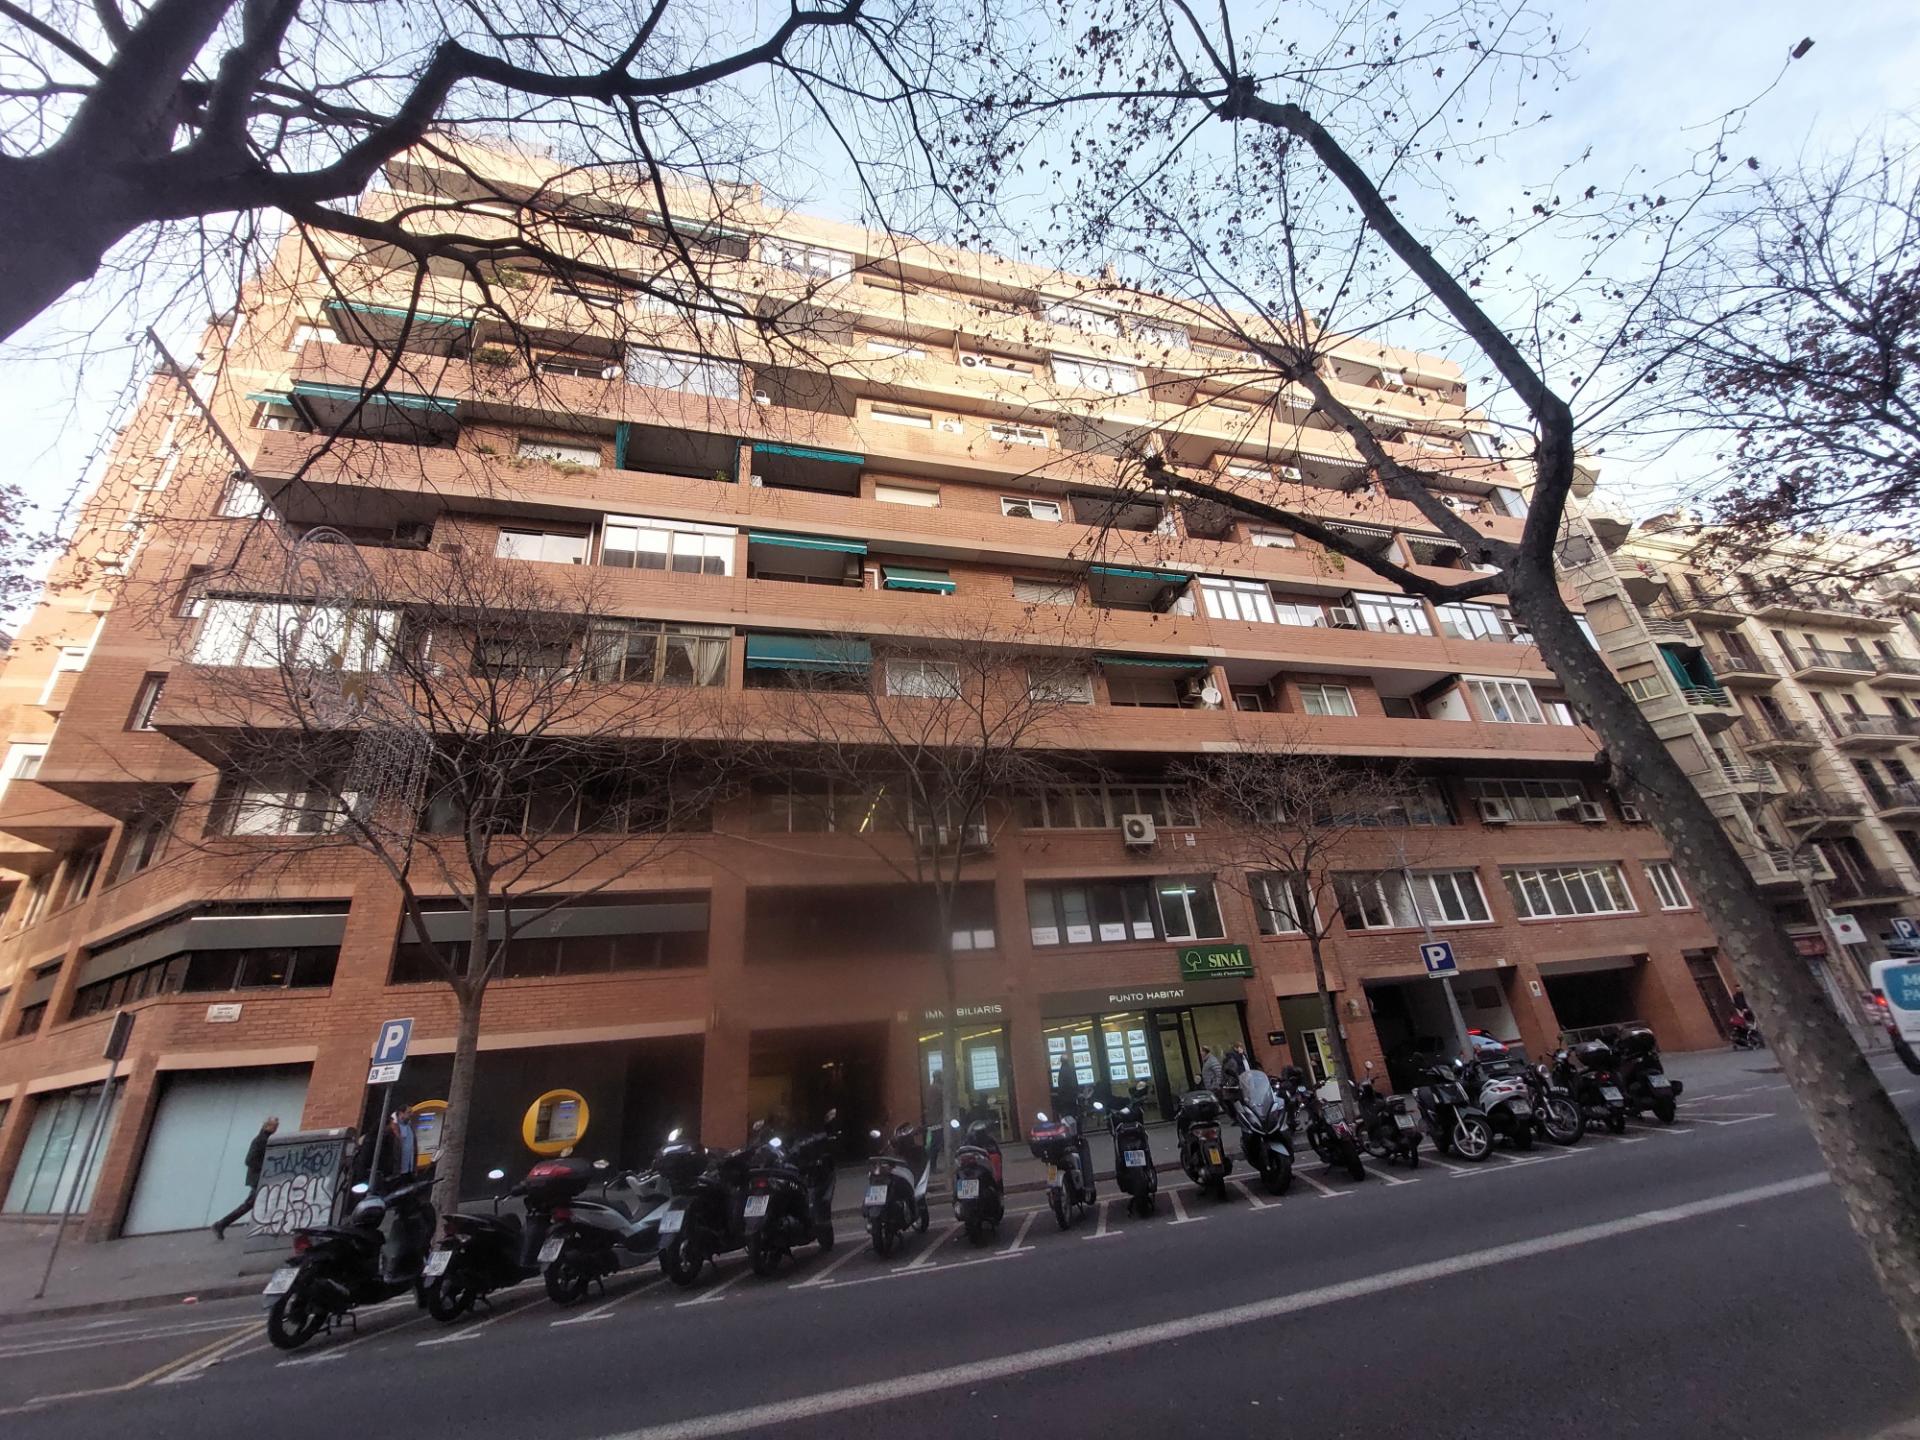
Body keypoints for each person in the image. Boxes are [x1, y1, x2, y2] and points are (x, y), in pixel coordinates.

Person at [212, 1115, 279, 1240]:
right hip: (259, 1178)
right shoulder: (260, 1140)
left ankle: (271, 1227)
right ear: (266, 1126)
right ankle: (221, 1224)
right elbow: (249, 1160)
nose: (276, 1128)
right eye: (274, 1126)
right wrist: (265, 1167)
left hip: (262, 1177)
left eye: (276, 1126)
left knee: (267, 1201)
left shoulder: (267, 1139)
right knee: (251, 1203)